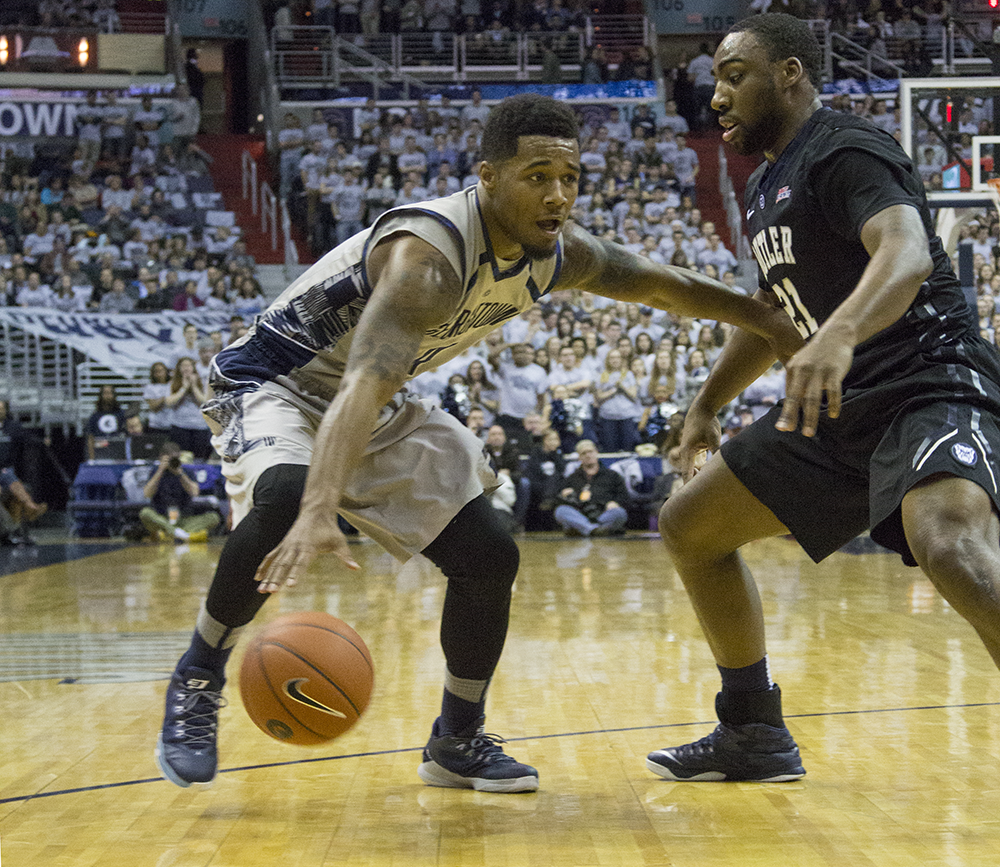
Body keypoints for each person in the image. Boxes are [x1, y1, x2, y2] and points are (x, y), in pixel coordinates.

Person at [154, 93, 799, 794]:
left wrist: (762, 319)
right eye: (537, 177)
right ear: (487, 177)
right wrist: (319, 507)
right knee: (284, 495)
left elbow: (659, 285)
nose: (557, 196)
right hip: (273, 383)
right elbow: (362, 381)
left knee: (489, 551)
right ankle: (198, 673)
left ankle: (456, 738)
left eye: (570, 178)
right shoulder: (427, 259)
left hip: (373, 398)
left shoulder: (558, 253)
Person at [647, 13, 1000, 785]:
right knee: (690, 526)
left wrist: (839, 335)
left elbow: (904, 249)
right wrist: (707, 401)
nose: (718, 96)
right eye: (715, 80)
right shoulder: (766, 185)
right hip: (842, 407)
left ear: (790, 74)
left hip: (926, 379)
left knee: (949, 545)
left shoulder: (843, 147)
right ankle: (752, 732)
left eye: (734, 74)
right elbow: (773, 314)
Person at [139, 441, 220, 543]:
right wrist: (160, 471)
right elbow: (147, 494)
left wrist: (180, 473)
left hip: (184, 518)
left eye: (176, 458)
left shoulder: (186, 471)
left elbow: (194, 492)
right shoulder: (155, 471)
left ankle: (170, 534)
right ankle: (180, 534)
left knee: (213, 517)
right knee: (145, 513)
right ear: (161, 457)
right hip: (162, 517)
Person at [553, 439, 629, 536]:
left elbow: (625, 497)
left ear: (596, 452)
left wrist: (615, 503)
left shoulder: (612, 475)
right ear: (579, 457)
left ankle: (585, 529)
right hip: (580, 515)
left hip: (604, 514)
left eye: (590, 452)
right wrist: (564, 495)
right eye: (584, 453)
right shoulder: (572, 478)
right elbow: (561, 502)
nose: (588, 455)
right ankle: (594, 530)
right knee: (561, 511)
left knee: (620, 513)